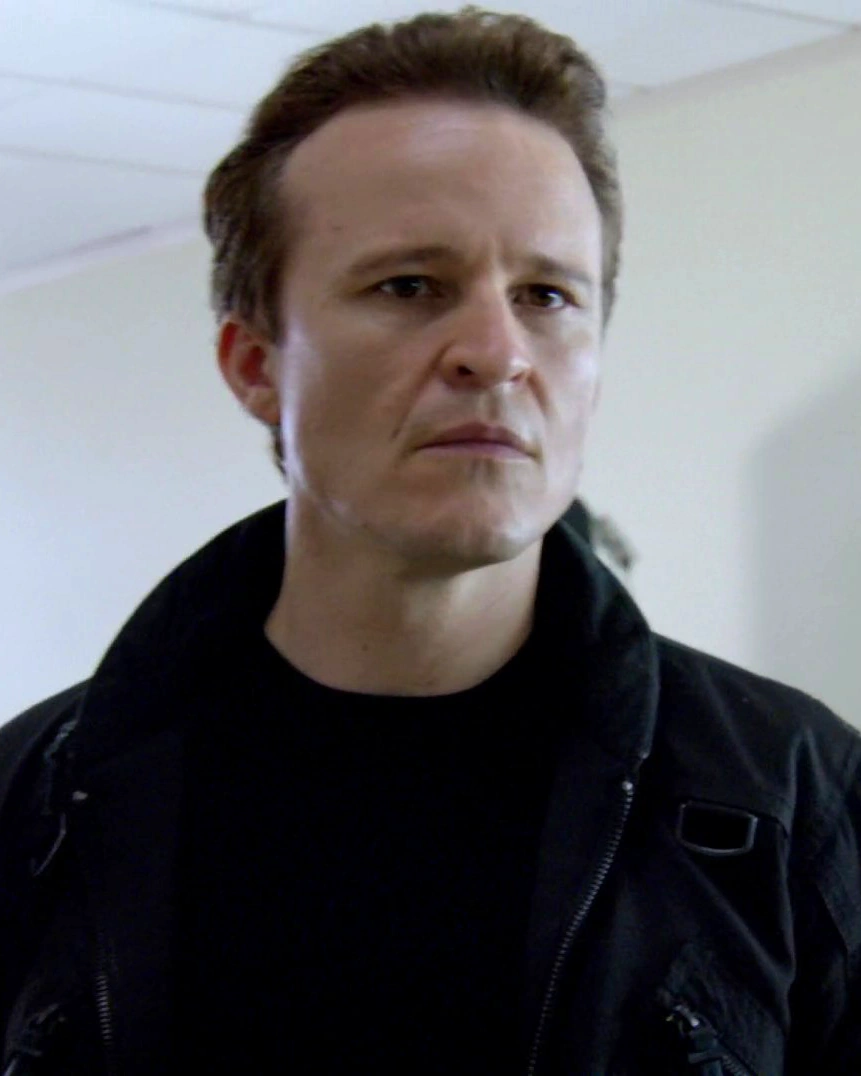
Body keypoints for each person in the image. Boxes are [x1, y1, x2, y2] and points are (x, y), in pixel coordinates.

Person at [1, 7, 859, 1074]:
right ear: (256, 364)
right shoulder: (36, 801)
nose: (497, 352)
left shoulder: (790, 797)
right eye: (409, 286)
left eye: (547, 295)